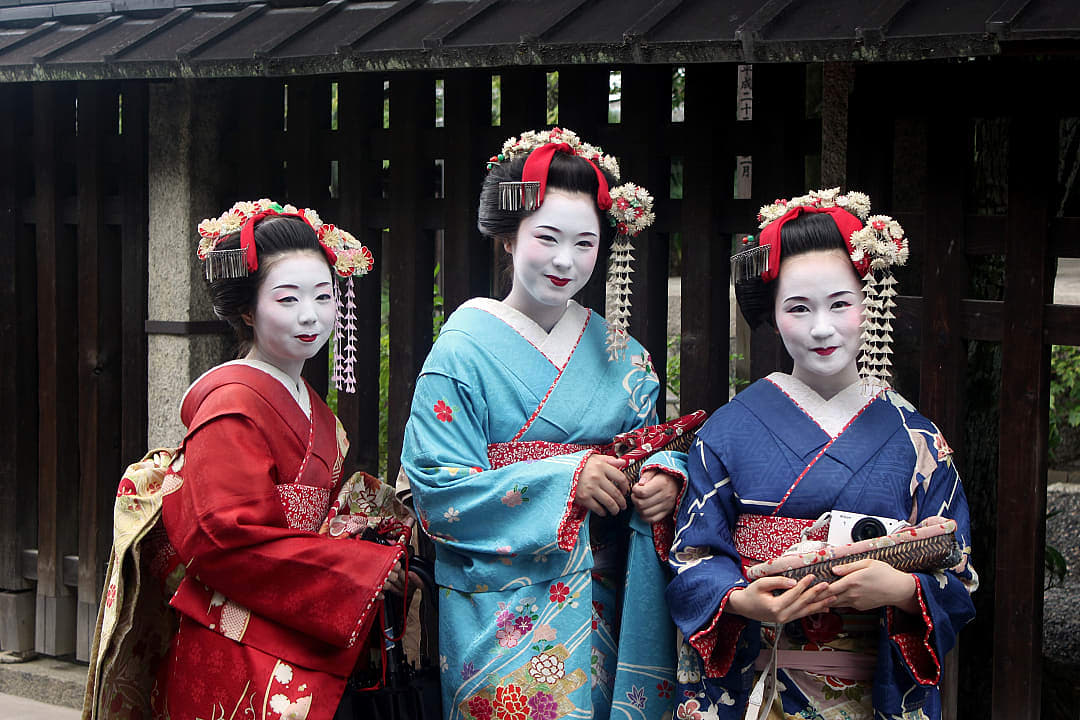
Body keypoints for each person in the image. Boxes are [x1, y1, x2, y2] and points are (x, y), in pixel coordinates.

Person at [400, 128, 689, 720]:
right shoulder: (462, 349)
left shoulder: (626, 355)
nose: (565, 261)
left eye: (585, 243)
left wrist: (664, 476)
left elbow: (654, 444)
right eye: (547, 238)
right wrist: (567, 480)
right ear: (508, 238)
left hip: (605, 598)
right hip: (501, 606)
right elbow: (435, 489)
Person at [83, 200, 408, 720]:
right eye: (288, 299)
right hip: (235, 634)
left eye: (324, 297)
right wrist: (356, 569)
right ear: (245, 310)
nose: (311, 315)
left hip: (298, 616)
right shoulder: (231, 406)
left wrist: (365, 541)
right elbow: (223, 538)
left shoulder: (311, 406)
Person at [666, 189, 978, 720]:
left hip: (872, 685)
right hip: (759, 684)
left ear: (870, 301)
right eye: (798, 308)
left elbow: (959, 569)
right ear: (773, 314)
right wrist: (742, 599)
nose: (821, 328)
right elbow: (691, 556)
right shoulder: (729, 430)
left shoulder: (917, 436)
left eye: (840, 303)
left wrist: (903, 589)